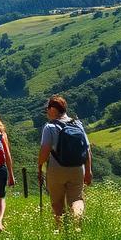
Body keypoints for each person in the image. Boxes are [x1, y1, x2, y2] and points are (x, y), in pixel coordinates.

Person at [38, 95, 92, 223]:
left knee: (57, 202)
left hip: (57, 168)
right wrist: (88, 171)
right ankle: (77, 221)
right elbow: (88, 149)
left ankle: (60, 232)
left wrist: (39, 167)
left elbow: (45, 151)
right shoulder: (78, 124)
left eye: (47, 110)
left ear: (52, 109)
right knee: (77, 199)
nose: (47, 113)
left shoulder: (49, 127)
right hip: (77, 168)